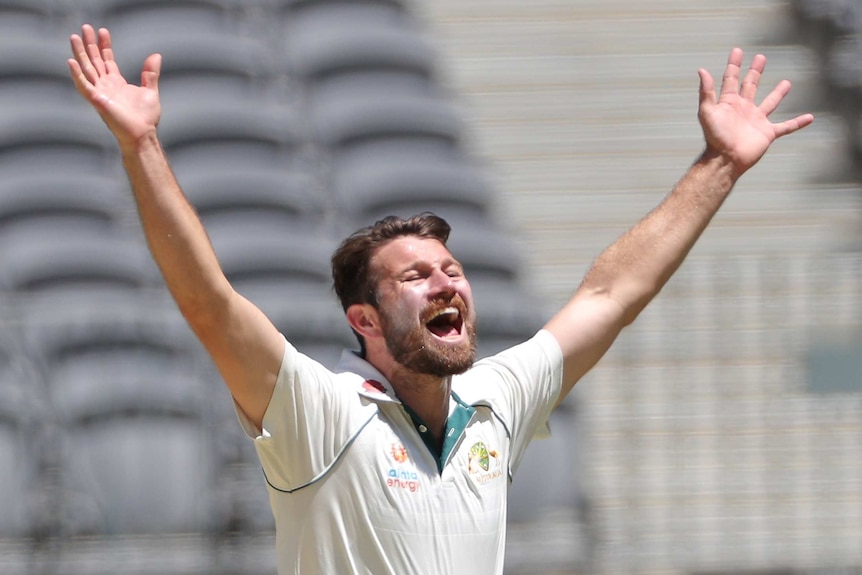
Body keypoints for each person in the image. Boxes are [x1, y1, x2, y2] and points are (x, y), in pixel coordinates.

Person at [67, 23, 813, 575]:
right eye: (416, 275)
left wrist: (720, 165)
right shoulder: (318, 411)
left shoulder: (494, 402)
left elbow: (613, 293)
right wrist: (142, 146)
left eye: (452, 268)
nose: (448, 281)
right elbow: (210, 304)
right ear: (364, 319)